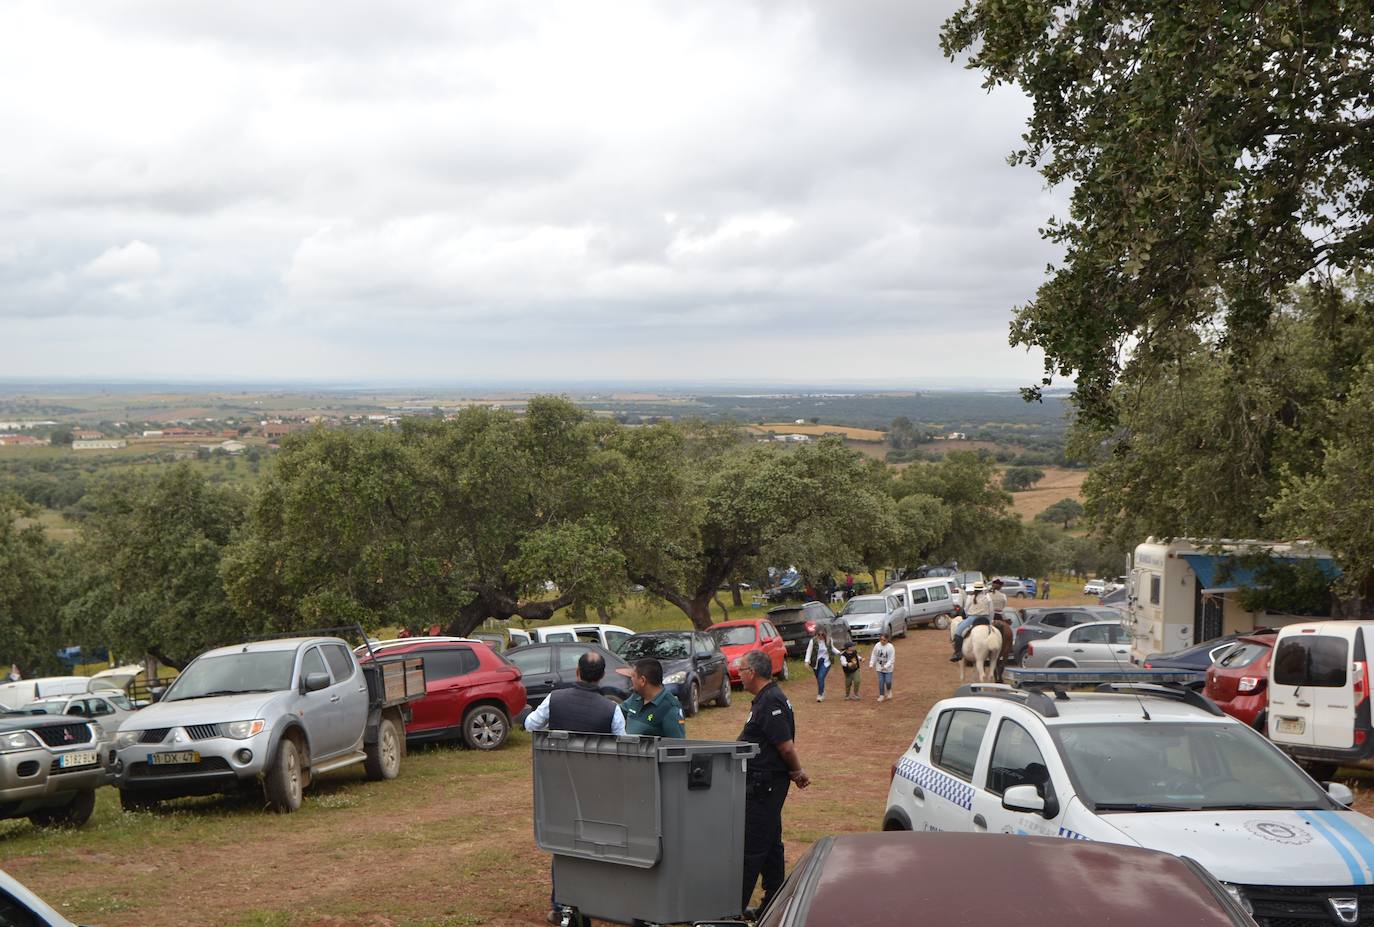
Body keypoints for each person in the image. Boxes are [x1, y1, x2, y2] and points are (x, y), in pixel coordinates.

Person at [524, 651, 626, 925]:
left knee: (563, 844)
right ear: (602, 675)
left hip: (559, 784)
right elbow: (624, 746)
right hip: (598, 788)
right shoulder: (611, 709)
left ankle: (561, 905)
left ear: (577, 672)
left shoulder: (555, 699)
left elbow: (530, 725)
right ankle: (594, 901)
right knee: (596, 844)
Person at [737, 650, 809, 915]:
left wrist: (797, 771)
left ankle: (732, 910)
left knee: (752, 847)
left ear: (752, 673)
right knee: (770, 845)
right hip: (761, 785)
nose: (739, 674)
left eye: (741, 669)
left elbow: (786, 747)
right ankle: (773, 905)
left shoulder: (771, 702)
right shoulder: (764, 699)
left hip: (763, 787)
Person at [621, 658, 686, 738]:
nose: (631, 679)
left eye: (633, 676)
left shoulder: (670, 708)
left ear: (642, 680)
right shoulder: (636, 697)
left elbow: (677, 745)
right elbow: (615, 713)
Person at [949, 584, 990, 662]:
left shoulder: (970, 597)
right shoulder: (987, 598)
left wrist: (968, 615)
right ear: (982, 589)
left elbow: (966, 609)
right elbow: (991, 610)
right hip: (985, 619)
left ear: (974, 589)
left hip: (972, 618)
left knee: (958, 631)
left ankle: (958, 653)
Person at [803, 627, 840, 702]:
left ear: (825, 634)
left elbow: (832, 648)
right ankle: (822, 691)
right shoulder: (813, 641)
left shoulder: (829, 640)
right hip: (815, 662)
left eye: (822, 634)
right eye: (819, 634)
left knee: (820, 677)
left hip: (826, 661)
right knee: (819, 679)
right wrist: (806, 661)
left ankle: (820, 694)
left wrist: (840, 653)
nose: (820, 636)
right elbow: (809, 651)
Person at [869, 632, 895, 701]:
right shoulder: (877, 645)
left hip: (888, 668)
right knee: (881, 681)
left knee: (888, 681)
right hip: (879, 667)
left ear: (887, 640)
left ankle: (889, 690)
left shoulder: (890, 647)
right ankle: (881, 695)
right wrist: (871, 663)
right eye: (881, 640)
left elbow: (891, 659)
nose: (882, 641)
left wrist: (886, 666)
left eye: (884, 640)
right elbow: (874, 655)